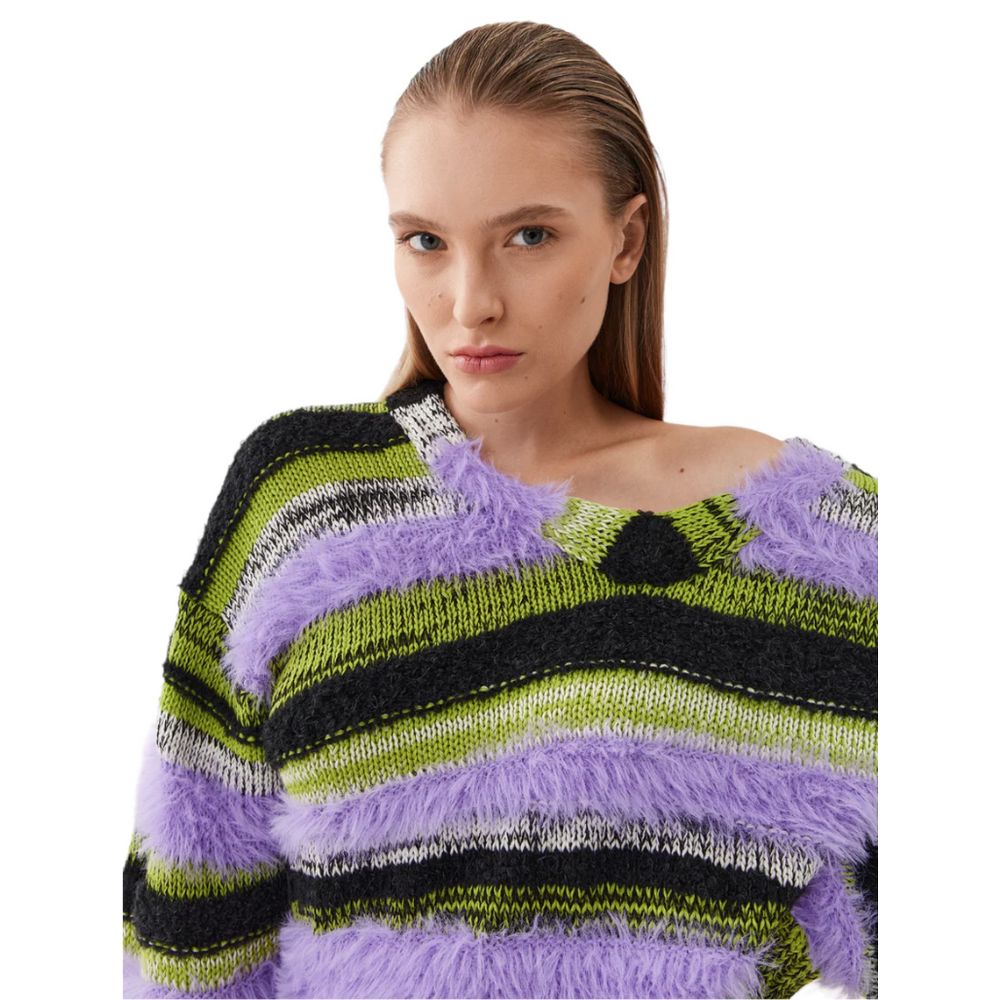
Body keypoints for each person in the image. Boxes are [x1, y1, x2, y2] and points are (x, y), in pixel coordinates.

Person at [123, 21, 877, 1000]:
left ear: (626, 239)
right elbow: (189, 920)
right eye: (425, 242)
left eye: (529, 236)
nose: (469, 301)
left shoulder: (825, 543)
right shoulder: (307, 502)